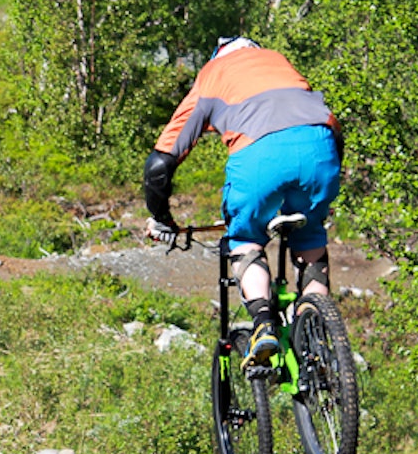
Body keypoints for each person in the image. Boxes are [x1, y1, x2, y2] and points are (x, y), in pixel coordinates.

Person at [143, 36, 342, 367]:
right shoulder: (278, 60)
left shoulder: (212, 73)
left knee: (245, 240)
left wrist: (161, 217)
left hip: (259, 158)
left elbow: (160, 164)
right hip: (321, 150)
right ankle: (317, 337)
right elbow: (333, 128)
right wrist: (327, 188)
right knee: (310, 237)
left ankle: (263, 324)